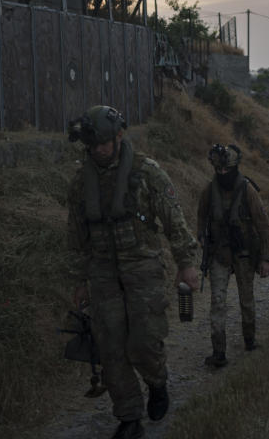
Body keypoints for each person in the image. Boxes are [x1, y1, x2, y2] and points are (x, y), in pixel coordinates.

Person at [66, 105, 200, 439]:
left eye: (104, 143)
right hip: (102, 270)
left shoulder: (146, 172)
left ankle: (157, 381)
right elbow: (76, 235)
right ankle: (129, 416)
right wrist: (80, 280)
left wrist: (186, 265)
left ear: (119, 136)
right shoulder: (82, 182)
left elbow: (174, 220)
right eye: (93, 145)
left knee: (142, 340)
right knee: (110, 346)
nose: (99, 150)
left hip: (142, 266)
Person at [197, 143, 269, 367]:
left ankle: (249, 339)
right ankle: (218, 350)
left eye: (225, 170)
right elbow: (201, 217)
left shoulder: (247, 190)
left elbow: (263, 224)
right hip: (219, 253)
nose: (222, 174)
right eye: (218, 170)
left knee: (246, 300)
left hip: (243, 253)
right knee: (218, 302)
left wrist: (265, 258)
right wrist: (201, 237)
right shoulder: (209, 191)